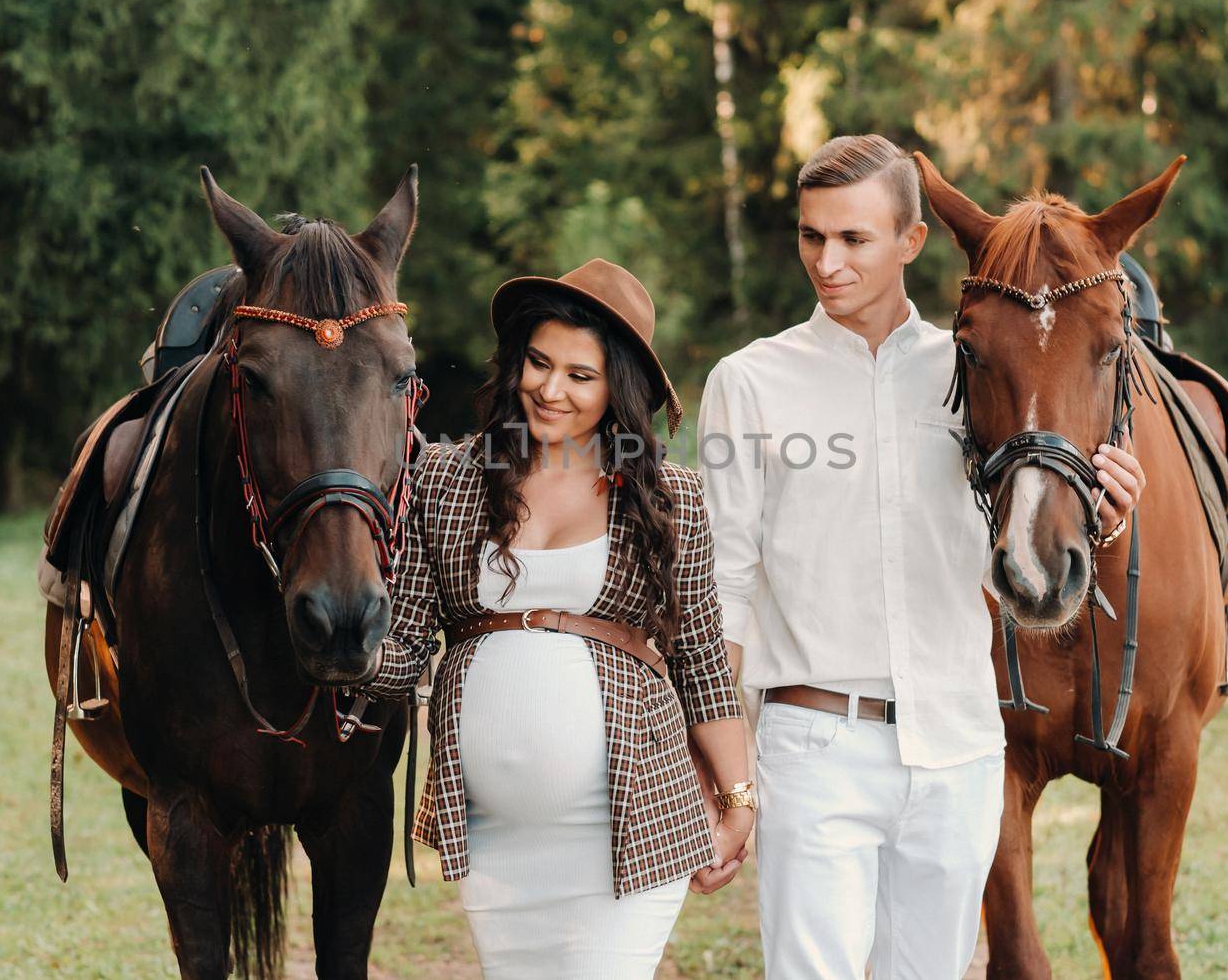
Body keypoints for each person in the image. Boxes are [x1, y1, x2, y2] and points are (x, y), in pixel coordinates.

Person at [697, 135, 1146, 978]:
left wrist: (1104, 516)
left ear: (911, 241)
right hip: (814, 741)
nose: (826, 263)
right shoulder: (749, 382)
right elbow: (721, 586)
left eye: (853, 239)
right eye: (811, 236)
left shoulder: (974, 369)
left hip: (958, 746)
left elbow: (1007, 560)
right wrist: (730, 778)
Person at [361, 257, 754, 979]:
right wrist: (339, 651)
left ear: (618, 388)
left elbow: (699, 658)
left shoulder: (668, 496)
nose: (549, 388)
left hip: (629, 824)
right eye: (539, 363)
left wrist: (737, 799)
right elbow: (408, 639)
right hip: (495, 837)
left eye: (580, 375)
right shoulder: (445, 478)